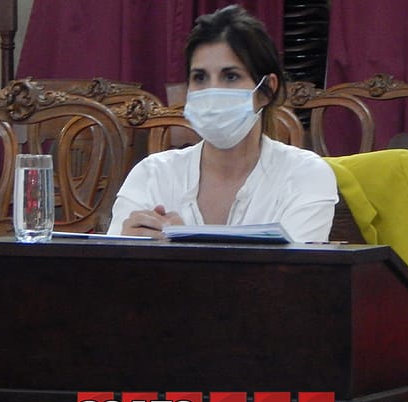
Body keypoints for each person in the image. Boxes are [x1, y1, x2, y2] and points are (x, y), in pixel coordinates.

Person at [106, 5, 337, 242]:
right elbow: (109, 261)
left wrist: (184, 245)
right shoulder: (153, 175)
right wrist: (126, 247)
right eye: (200, 77)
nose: (212, 90)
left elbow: (295, 266)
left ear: (267, 89)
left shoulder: (304, 175)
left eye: (231, 76)